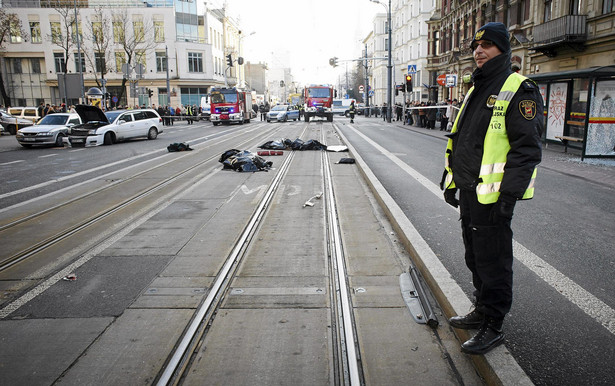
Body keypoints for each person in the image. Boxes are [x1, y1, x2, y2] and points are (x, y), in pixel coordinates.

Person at [440, 22, 543, 355]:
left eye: (486, 45)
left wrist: (509, 197)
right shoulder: (477, 87)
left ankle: (494, 325)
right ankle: (482, 309)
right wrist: (452, 182)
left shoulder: (519, 88)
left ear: (502, 48)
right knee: (475, 257)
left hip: (495, 196)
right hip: (472, 191)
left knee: (494, 261)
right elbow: (463, 140)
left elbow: (526, 150)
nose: (478, 51)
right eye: (476, 46)